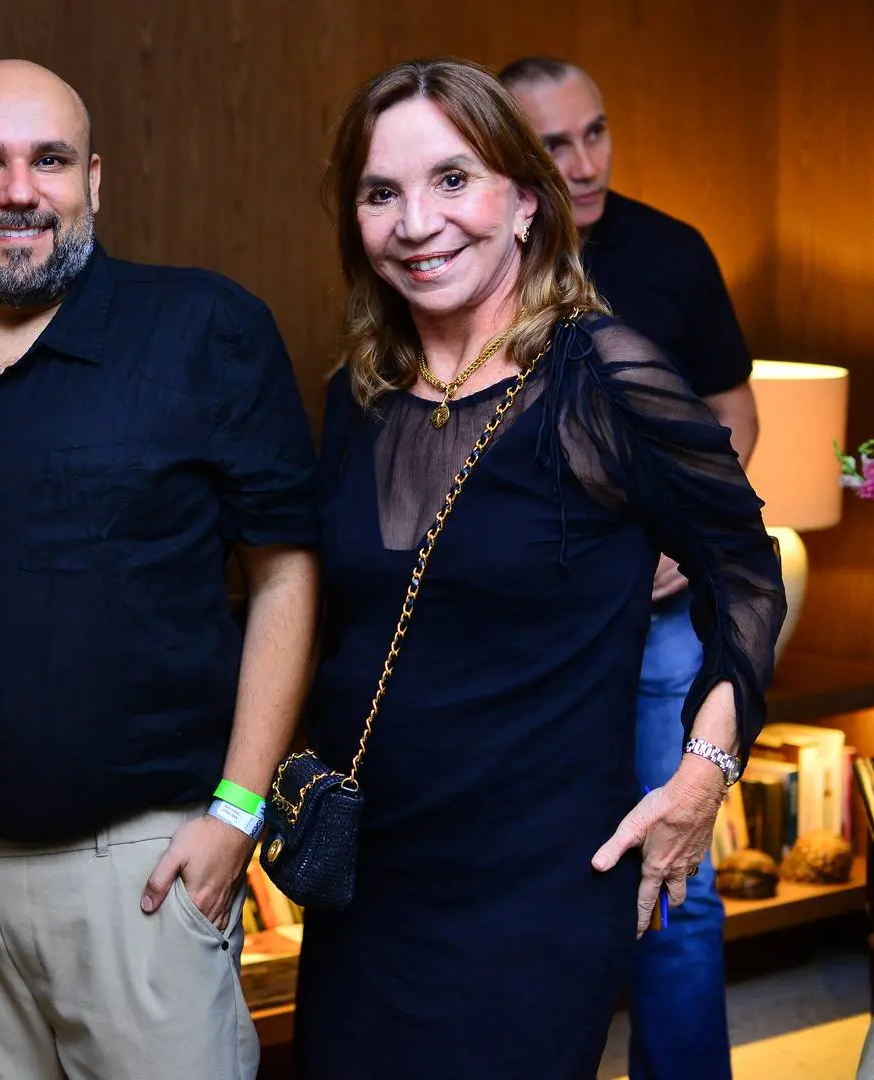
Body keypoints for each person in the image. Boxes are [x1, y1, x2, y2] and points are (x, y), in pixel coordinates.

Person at [0, 59, 320, 1080]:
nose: (19, 191)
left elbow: (285, 575)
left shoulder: (204, 329)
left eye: (49, 160)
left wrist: (238, 813)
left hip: (136, 873)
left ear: (92, 179)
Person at [295, 58, 784, 1079]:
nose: (417, 223)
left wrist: (701, 778)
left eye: (452, 180)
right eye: (381, 193)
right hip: (371, 886)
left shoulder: (604, 378)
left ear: (524, 202)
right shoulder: (360, 393)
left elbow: (745, 570)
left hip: (532, 893)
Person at [501, 55, 759, 1080]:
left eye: (595, 133)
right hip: (525, 631)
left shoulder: (670, 250)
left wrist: (688, 531)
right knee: (521, 875)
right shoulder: (474, 254)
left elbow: (732, 409)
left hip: (656, 630)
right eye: (553, 144)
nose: (583, 162)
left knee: (676, 889)